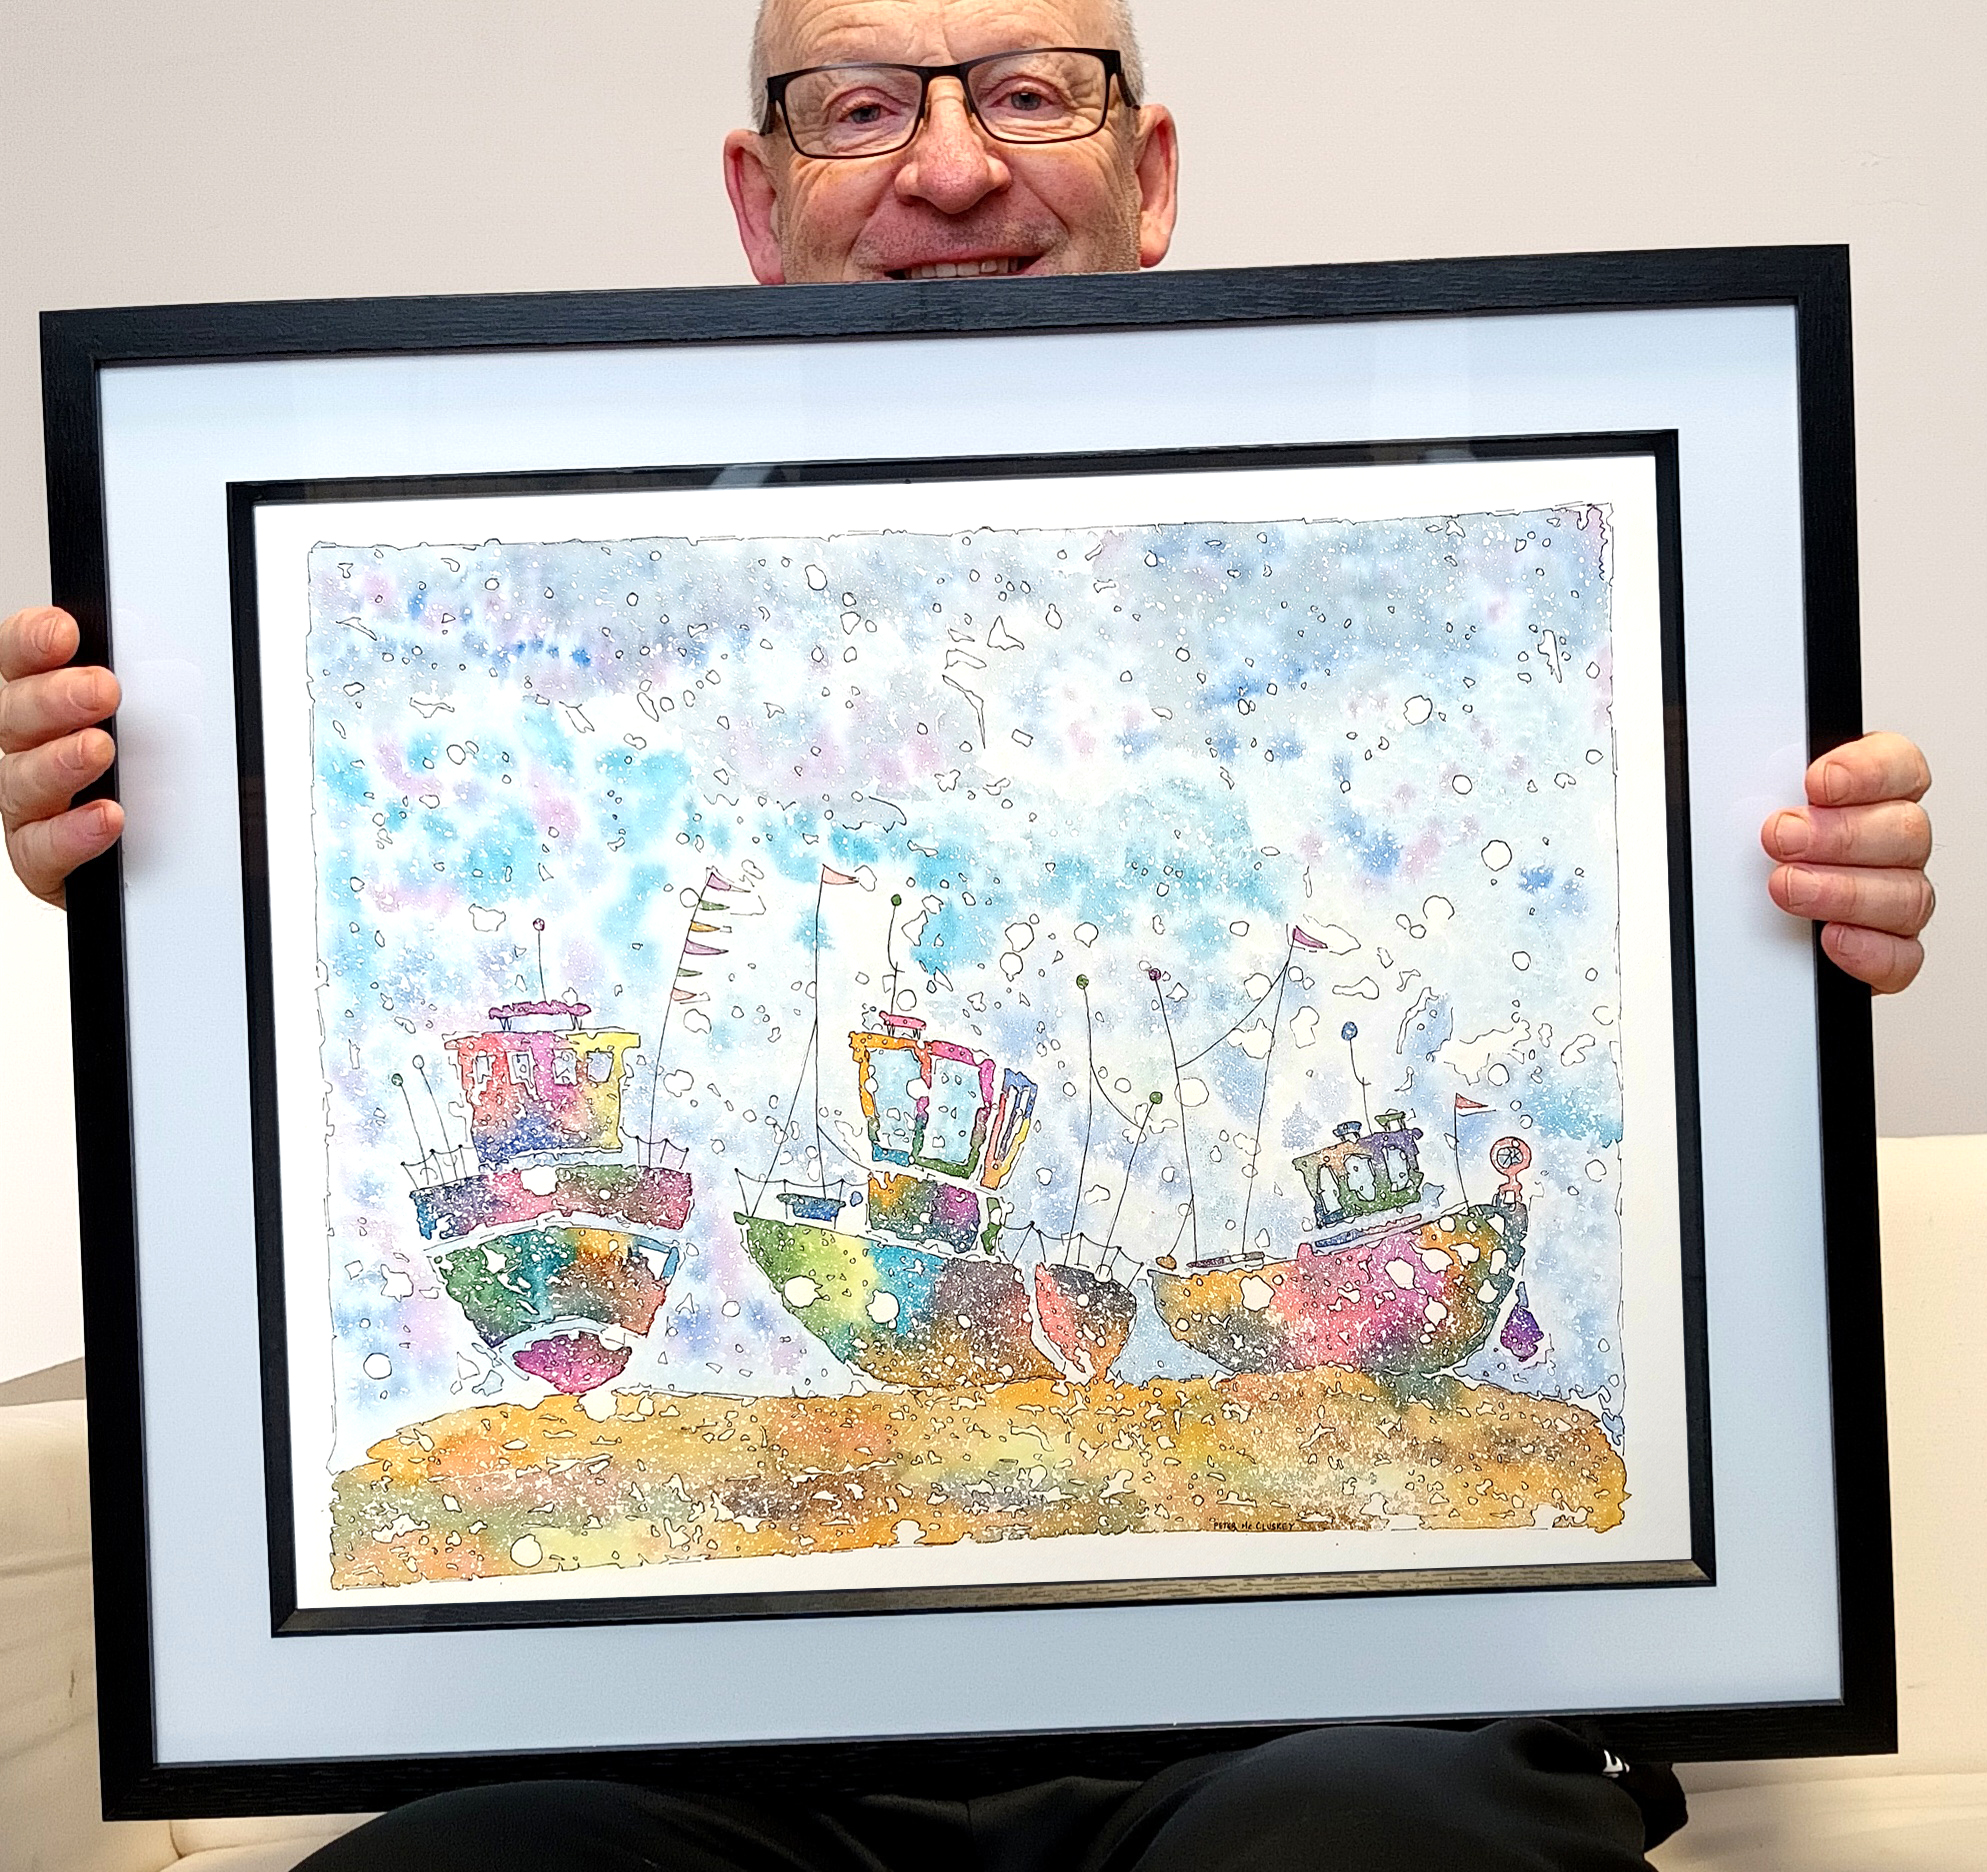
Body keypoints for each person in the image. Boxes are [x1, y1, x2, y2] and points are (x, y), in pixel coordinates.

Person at [0, 3, 1936, 1866]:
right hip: (673, 1739)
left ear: (1146, 169)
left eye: (1025, 89)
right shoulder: (489, 580)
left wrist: (1781, 915)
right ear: (759, 197)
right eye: (856, 103)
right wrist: (150, 872)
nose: (946, 168)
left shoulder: (1471, 529)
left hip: (1329, 1713)